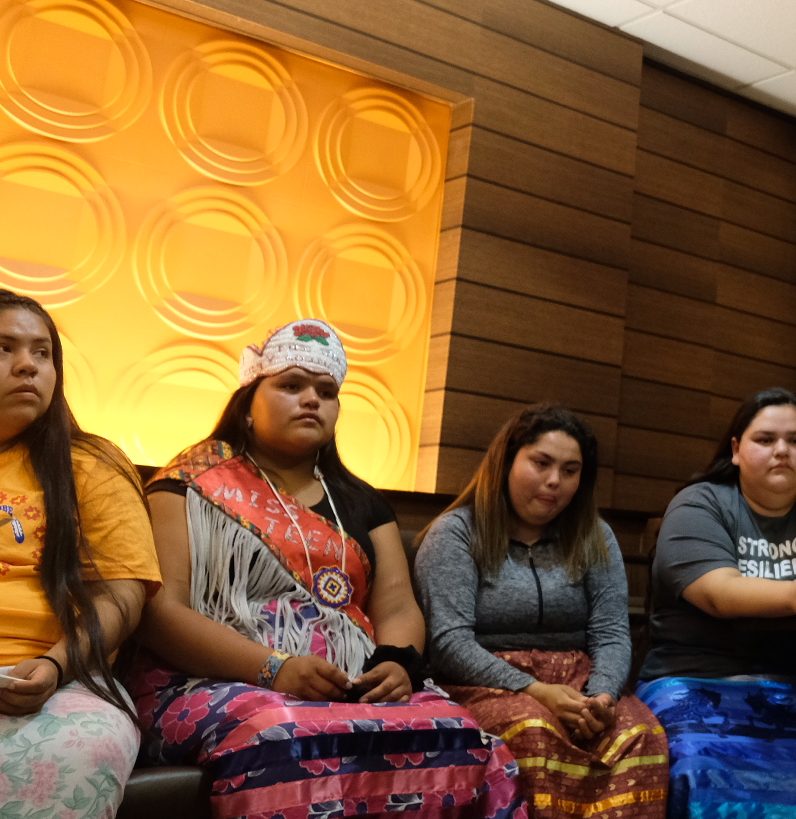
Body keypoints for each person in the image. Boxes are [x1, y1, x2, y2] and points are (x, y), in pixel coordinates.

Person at [130, 318, 523, 819]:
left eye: (326, 390)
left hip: (350, 685)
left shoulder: (363, 503)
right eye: (290, 385)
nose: (311, 399)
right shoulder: (187, 485)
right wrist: (275, 669)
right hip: (212, 682)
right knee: (285, 737)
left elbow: (398, 605)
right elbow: (160, 611)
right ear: (247, 404)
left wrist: (398, 664)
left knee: (467, 738)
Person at [414, 404, 669, 819]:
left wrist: (601, 698)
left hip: (580, 680)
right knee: (534, 732)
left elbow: (611, 633)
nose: (554, 481)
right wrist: (536, 691)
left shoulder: (594, 535)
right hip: (485, 682)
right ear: (507, 460)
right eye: (541, 463)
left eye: (570, 471)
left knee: (641, 734)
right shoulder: (456, 533)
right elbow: (449, 644)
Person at [636, 388, 796, 819]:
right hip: (694, 678)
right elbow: (718, 592)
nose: (782, 450)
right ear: (736, 450)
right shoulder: (698, 502)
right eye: (765, 439)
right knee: (698, 772)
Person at [0, 290, 160, 819]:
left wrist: (53, 664)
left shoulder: (88, 464)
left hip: (58, 678)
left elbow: (123, 594)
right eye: (4, 348)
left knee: (77, 755)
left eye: (42, 353)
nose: (28, 365)